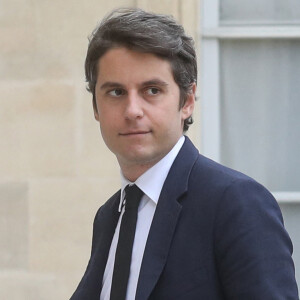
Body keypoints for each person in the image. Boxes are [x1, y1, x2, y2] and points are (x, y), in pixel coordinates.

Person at [70, 8, 299, 300]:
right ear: (95, 108)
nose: (132, 111)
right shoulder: (109, 217)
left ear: (187, 101)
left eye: (151, 90)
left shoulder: (235, 203)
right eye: (115, 92)